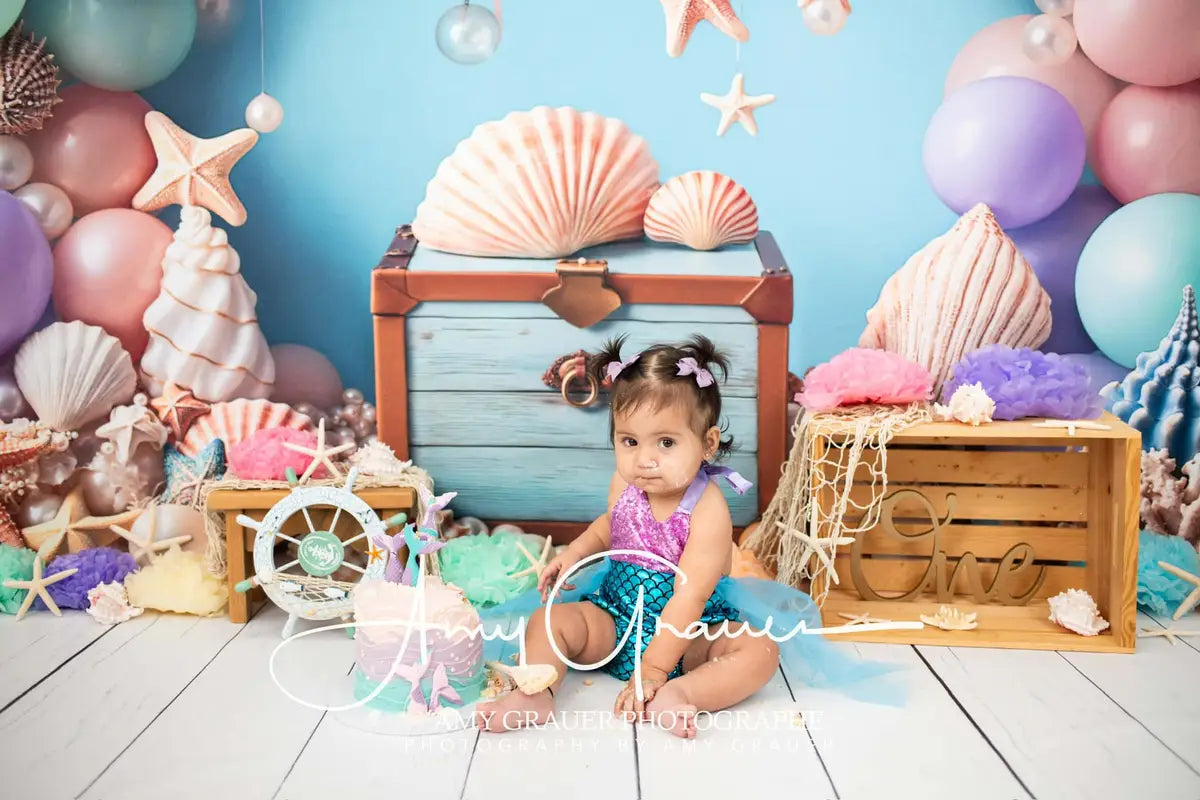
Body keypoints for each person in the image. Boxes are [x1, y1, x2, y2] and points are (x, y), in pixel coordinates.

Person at [475, 334, 900, 738]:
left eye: (665, 442)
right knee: (549, 621)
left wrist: (657, 671)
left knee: (759, 650)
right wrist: (577, 552)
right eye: (629, 440)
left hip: (689, 632)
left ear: (707, 443)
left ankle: (685, 694)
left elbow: (690, 595)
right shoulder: (624, 484)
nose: (645, 459)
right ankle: (535, 696)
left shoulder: (707, 508)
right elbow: (611, 525)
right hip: (614, 618)